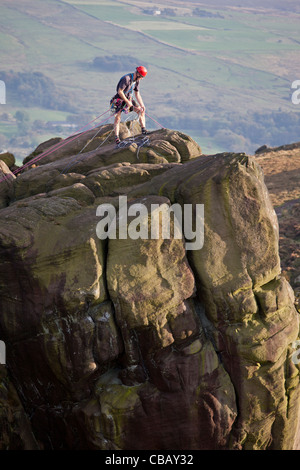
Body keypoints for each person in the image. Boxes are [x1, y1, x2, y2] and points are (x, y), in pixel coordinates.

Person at [110, 66, 148, 147]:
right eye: (142, 77)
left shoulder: (136, 81)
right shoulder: (126, 79)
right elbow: (120, 91)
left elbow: (137, 93)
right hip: (119, 99)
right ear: (138, 74)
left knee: (141, 111)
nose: (142, 79)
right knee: (118, 118)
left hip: (129, 98)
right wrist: (127, 102)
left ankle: (143, 129)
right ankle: (116, 137)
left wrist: (142, 105)